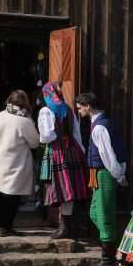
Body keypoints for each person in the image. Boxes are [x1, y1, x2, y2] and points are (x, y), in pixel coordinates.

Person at [74, 92, 128, 266]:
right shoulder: (101, 123)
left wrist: (119, 176)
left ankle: (108, 260)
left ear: (88, 106)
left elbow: (107, 155)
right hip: (98, 175)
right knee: (95, 213)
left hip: (105, 174)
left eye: (80, 108)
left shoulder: (100, 127)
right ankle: (114, 245)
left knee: (104, 217)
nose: (79, 112)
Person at [0, 90, 40, 237]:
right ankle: (5, 227)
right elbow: (34, 143)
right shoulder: (25, 120)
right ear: (25, 102)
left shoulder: (0, 116)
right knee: (12, 195)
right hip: (16, 162)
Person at [37, 82, 90, 239]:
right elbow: (76, 134)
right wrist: (81, 151)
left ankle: (64, 227)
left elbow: (46, 135)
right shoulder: (68, 110)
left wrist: (54, 138)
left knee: (60, 187)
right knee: (69, 188)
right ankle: (65, 225)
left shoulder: (46, 111)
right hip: (73, 150)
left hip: (57, 150)